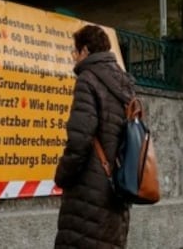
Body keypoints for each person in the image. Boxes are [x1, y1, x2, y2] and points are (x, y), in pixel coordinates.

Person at [54, 24, 135, 249]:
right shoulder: (126, 83)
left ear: (86, 51)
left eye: (75, 51)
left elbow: (80, 138)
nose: (74, 57)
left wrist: (63, 175)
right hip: (118, 187)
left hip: (89, 192)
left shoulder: (87, 80)